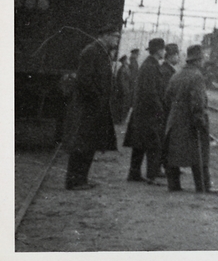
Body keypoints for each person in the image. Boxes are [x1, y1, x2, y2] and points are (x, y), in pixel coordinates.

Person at [63, 24, 122, 190]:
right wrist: (97, 98)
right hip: (88, 107)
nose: (117, 40)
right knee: (82, 144)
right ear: (104, 35)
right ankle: (74, 181)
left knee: (89, 144)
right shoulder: (91, 51)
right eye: (115, 36)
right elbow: (85, 80)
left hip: (95, 107)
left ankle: (81, 180)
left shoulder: (101, 52)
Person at [163, 45, 218, 194]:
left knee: (173, 153)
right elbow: (198, 102)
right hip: (191, 122)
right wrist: (200, 121)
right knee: (200, 154)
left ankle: (173, 185)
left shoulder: (176, 75)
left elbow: (167, 97)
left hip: (175, 120)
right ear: (198, 60)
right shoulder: (197, 77)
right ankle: (203, 186)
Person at [124, 37, 168, 185]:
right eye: (163, 49)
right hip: (149, 113)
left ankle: (134, 173)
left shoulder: (148, 64)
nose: (164, 52)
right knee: (153, 144)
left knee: (140, 144)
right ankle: (151, 175)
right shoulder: (151, 66)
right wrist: (159, 109)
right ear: (159, 51)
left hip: (142, 112)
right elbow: (151, 92)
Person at [110, 54, 132, 126]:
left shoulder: (126, 68)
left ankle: (122, 119)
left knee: (125, 105)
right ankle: (120, 120)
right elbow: (121, 82)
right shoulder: (122, 69)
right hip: (123, 91)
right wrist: (124, 90)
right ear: (124, 61)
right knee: (122, 105)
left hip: (127, 89)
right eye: (126, 60)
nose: (127, 61)